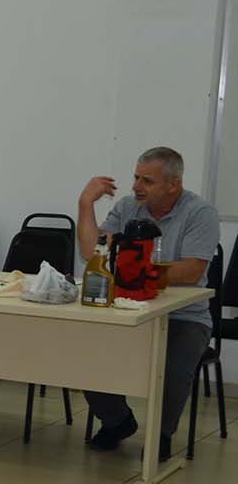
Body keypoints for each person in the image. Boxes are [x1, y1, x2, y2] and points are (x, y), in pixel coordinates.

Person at [77, 146, 219, 461]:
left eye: (147, 181)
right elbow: (91, 253)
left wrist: (136, 270)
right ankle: (117, 421)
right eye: (136, 178)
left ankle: (161, 434)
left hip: (185, 316)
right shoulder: (128, 207)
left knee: (173, 365)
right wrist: (86, 204)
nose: (136, 187)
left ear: (173, 184)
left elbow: (192, 270)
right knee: (85, 353)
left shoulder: (200, 213)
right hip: (128, 311)